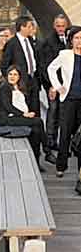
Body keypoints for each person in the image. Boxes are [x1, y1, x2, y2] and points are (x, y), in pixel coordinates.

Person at [46, 25, 81, 190]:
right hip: (68, 99)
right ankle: (61, 166)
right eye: (77, 38)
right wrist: (58, 86)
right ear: (71, 40)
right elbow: (51, 69)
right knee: (65, 132)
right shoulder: (65, 55)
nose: (79, 41)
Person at [0, 65, 47, 169]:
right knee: (38, 121)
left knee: (36, 131)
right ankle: (47, 151)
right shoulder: (4, 87)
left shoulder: (20, 87)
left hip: (18, 117)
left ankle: (35, 162)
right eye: (10, 74)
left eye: (15, 74)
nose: (12, 76)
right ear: (6, 76)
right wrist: (24, 114)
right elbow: (8, 107)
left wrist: (28, 113)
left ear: (19, 76)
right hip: (8, 119)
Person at [40, 14, 72, 164]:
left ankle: (60, 143)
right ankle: (50, 144)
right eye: (58, 26)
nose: (60, 29)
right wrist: (53, 86)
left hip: (67, 86)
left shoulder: (71, 40)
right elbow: (46, 67)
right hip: (53, 85)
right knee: (52, 114)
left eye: (63, 26)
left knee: (63, 115)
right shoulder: (47, 43)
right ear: (54, 26)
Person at [1, 16, 41, 114]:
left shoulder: (31, 41)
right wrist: (13, 83)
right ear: (22, 27)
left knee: (35, 110)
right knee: (24, 110)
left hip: (33, 80)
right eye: (29, 26)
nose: (32, 29)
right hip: (21, 83)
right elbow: (4, 65)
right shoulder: (11, 44)